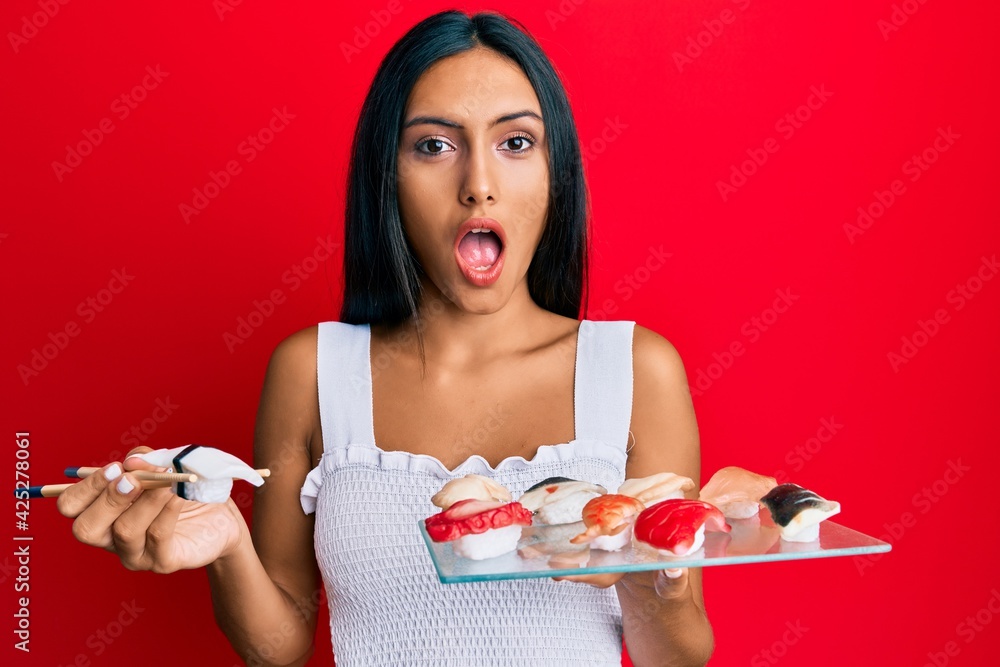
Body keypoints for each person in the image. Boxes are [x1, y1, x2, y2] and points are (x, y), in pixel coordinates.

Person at [57, 10, 713, 666]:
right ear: (387, 176)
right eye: (434, 146)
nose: (479, 186)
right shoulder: (312, 372)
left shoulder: (635, 370)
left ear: (555, 170)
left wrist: (643, 574)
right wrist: (228, 542)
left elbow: (679, 656)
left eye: (515, 142)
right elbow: (280, 646)